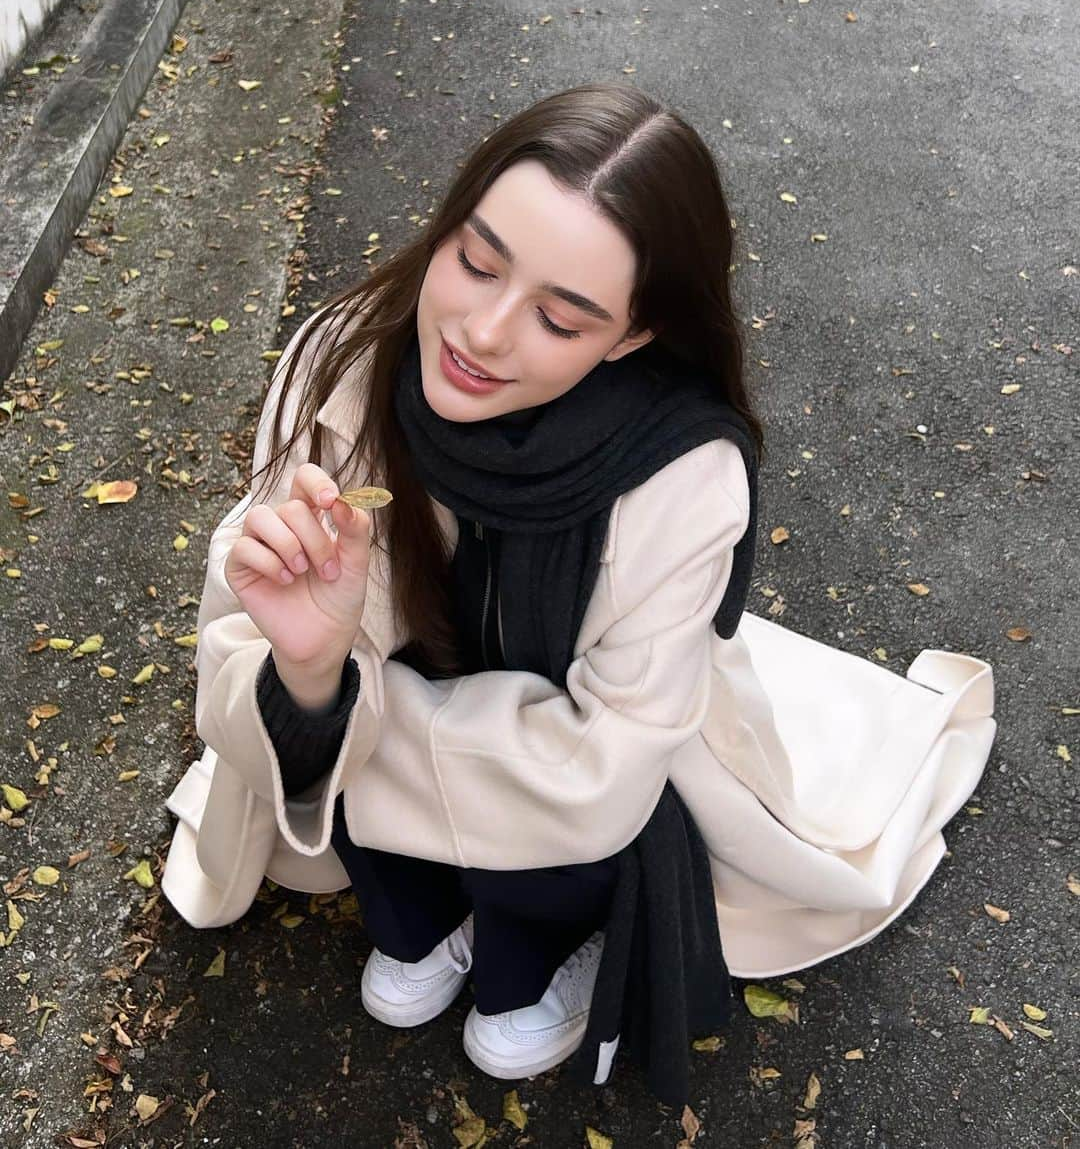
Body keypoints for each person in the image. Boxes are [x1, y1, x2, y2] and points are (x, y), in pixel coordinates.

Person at [161, 81, 996, 1103]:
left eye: (561, 317)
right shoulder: (342, 355)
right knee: (330, 751)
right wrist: (309, 667)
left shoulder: (682, 473)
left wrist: (355, 713)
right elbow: (239, 636)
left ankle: (528, 952)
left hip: (569, 772)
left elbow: (600, 766)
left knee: (568, 845)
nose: (482, 331)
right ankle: (423, 915)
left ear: (633, 335)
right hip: (470, 744)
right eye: (473, 260)